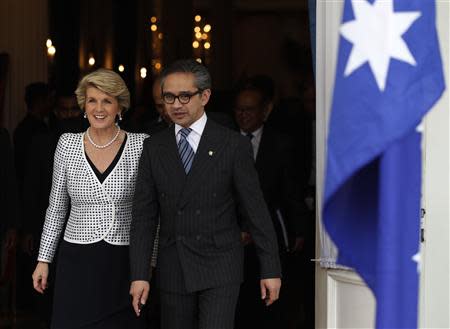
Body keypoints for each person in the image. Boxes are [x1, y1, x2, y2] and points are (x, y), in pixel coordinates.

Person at [129, 59, 282, 329]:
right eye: (169, 97)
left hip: (220, 263)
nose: (176, 105)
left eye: (185, 96)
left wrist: (270, 269)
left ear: (205, 96)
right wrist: (140, 274)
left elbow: (255, 210)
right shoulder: (154, 147)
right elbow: (144, 217)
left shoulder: (231, 144)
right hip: (174, 264)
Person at [32, 69, 148, 329]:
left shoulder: (141, 145)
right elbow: (56, 208)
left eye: (107, 100)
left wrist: (148, 266)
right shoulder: (67, 145)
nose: (99, 108)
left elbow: (150, 213)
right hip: (76, 261)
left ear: (120, 106)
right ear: (84, 105)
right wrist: (43, 260)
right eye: (92, 100)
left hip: (123, 262)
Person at [233, 81, 307, 329]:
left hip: (271, 231)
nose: (243, 115)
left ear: (265, 111)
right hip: (230, 235)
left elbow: (291, 190)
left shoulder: (281, 144)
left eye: (250, 109)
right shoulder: (225, 142)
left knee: (268, 300)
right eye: (239, 109)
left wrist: (298, 230)